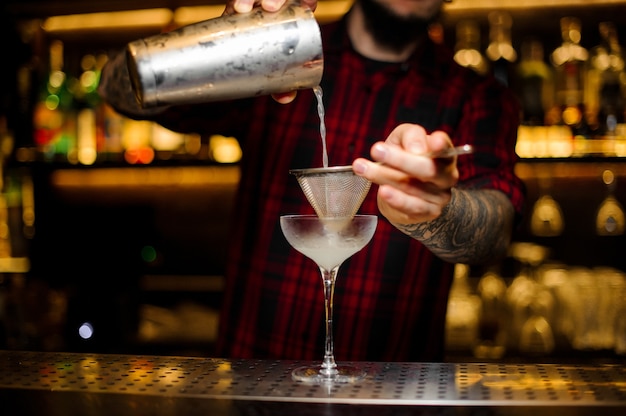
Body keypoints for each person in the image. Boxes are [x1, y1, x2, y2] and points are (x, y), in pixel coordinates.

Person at [99, 0, 525, 362]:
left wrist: (439, 211)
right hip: (251, 384)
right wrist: (229, 40)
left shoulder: (479, 96)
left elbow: (495, 231)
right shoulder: (277, 54)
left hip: (391, 395)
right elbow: (116, 87)